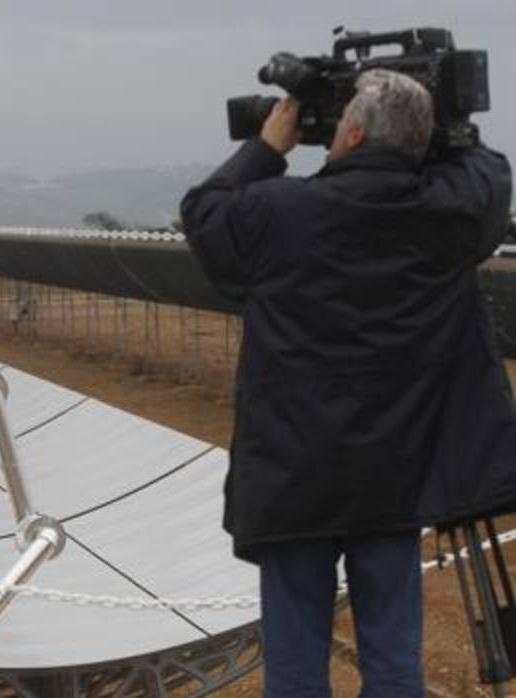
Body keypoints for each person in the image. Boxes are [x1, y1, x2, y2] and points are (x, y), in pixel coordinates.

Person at [180, 69, 515, 697]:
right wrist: (436, 126)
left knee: (295, 672)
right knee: (392, 666)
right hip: (391, 480)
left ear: (352, 133)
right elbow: (489, 174)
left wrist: (267, 146)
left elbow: (203, 214)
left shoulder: (275, 214)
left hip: (289, 482)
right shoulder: (445, 216)